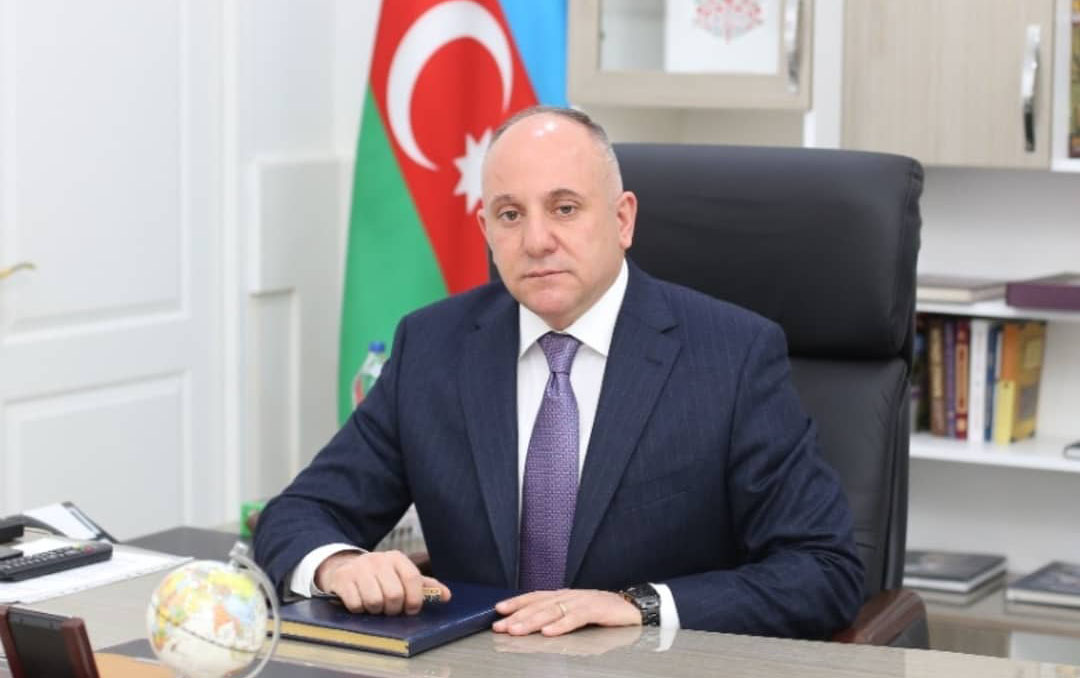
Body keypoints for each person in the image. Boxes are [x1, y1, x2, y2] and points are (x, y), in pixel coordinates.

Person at [254, 106, 864, 639]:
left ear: (623, 219)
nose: (537, 240)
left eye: (564, 208)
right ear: (486, 231)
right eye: (510, 215)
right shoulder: (433, 347)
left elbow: (822, 568)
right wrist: (337, 565)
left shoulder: (731, 355)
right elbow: (295, 514)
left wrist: (640, 606)